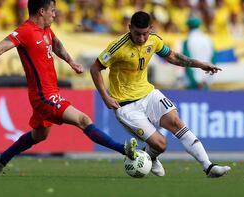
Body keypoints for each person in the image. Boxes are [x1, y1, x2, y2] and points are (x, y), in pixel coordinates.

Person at [0, 0, 137, 176]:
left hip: (51, 92)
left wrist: (71, 62)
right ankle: (124, 150)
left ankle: (2, 159)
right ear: (41, 11)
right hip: (43, 97)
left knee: (39, 135)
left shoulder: (46, 29)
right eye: (52, 11)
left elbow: (56, 44)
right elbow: (2, 47)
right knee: (83, 120)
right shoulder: (25, 31)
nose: (55, 14)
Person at [90, 11, 231, 178]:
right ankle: (150, 155)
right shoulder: (118, 47)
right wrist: (105, 96)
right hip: (126, 105)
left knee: (177, 122)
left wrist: (200, 64)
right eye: (137, 34)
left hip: (149, 94)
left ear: (151, 28)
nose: (141, 38)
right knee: (161, 145)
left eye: (145, 33)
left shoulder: (154, 40)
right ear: (129, 28)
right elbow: (95, 68)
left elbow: (172, 57)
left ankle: (208, 167)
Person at [183, 16, 215, 90]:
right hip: (206, 81)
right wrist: (207, 79)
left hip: (192, 84)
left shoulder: (187, 41)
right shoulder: (208, 40)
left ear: (188, 27)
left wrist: (194, 82)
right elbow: (213, 60)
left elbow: (186, 62)